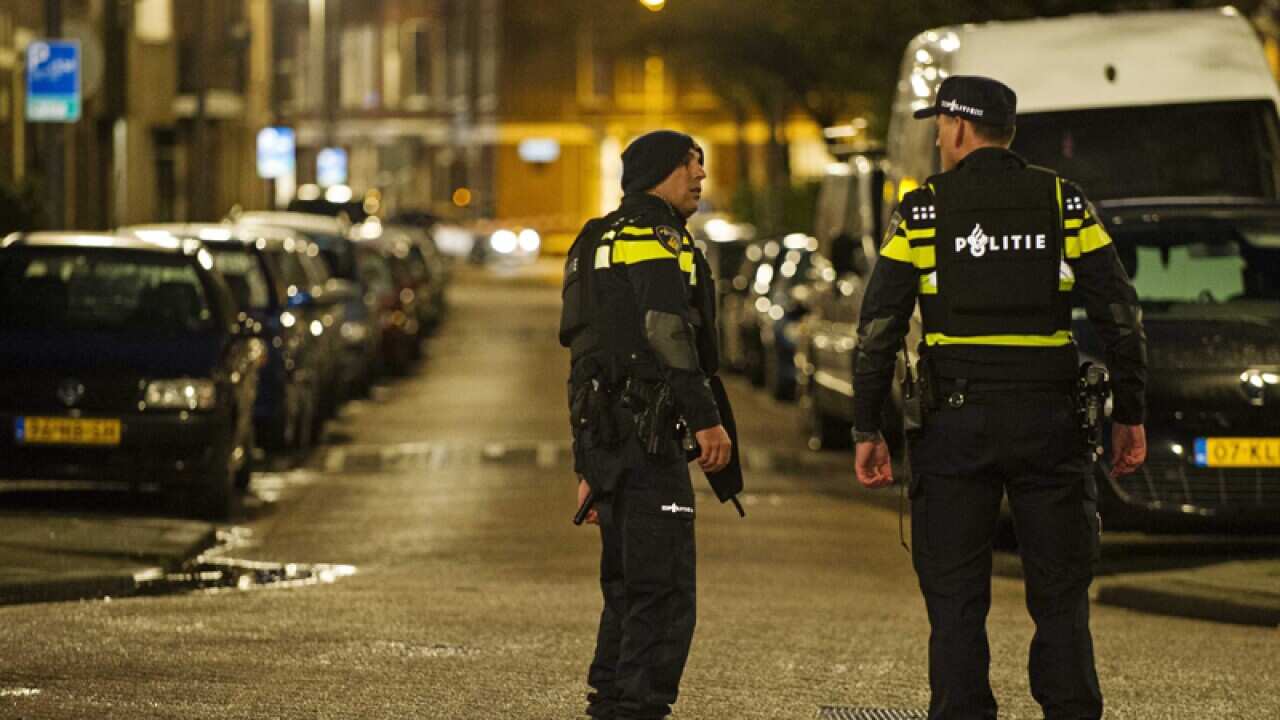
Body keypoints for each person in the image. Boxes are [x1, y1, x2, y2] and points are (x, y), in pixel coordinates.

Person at [851, 76, 1148, 720]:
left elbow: (878, 329)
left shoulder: (927, 211)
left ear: (958, 129)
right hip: (1050, 423)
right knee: (1062, 591)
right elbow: (1121, 315)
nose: (936, 136)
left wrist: (867, 426)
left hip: (955, 425)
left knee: (956, 596)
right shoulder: (1063, 203)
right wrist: (1131, 413)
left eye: (938, 126)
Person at [559, 129, 733, 720]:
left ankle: (611, 701)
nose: (701, 179)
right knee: (663, 592)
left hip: (606, 437)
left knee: (627, 586)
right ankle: (637, 708)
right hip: (650, 438)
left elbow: (583, 355)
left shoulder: (591, 240)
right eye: (692, 167)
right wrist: (706, 421)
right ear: (662, 171)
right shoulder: (656, 237)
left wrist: (588, 461)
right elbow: (667, 330)